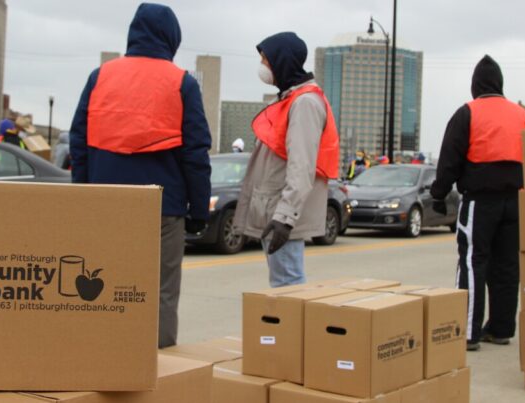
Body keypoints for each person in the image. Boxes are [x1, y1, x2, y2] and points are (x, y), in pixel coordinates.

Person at [69, 3, 211, 348]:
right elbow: (195, 153)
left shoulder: (100, 76)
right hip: (164, 206)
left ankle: (102, 354)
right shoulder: (182, 82)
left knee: (102, 280)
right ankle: (160, 368)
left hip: (106, 202)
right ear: (172, 38)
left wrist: (83, 193)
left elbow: (79, 140)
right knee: (161, 289)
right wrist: (198, 211)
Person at [431, 55, 525, 352]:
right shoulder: (521, 114)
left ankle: (469, 331)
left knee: (473, 261)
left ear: (475, 85)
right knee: (507, 265)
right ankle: (501, 329)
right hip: (515, 200)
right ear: (500, 84)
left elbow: (449, 158)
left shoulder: (467, 113)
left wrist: (439, 193)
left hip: (480, 201)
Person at [234, 32, 340, 288]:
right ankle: (284, 329)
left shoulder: (304, 103)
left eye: (265, 59)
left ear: (281, 61)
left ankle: (288, 330)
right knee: (284, 286)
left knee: (287, 286)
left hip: (281, 215)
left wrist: (285, 217)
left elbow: (301, 166)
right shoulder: (290, 99)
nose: (262, 66)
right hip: (275, 210)